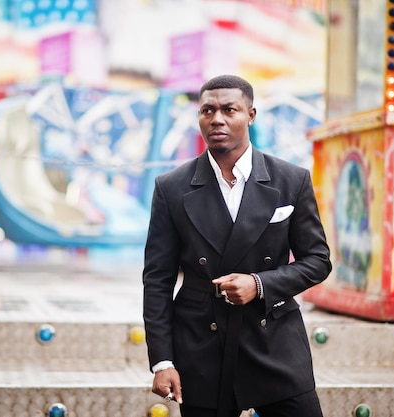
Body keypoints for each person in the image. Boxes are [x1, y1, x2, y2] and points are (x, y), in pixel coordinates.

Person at [142, 74, 332, 417]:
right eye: (207, 110)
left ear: (251, 115)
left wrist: (259, 284)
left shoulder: (291, 179)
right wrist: (162, 360)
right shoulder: (171, 188)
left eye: (230, 110)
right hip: (201, 342)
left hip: (272, 338)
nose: (217, 119)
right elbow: (157, 280)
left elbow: (318, 260)